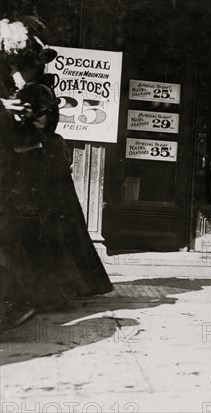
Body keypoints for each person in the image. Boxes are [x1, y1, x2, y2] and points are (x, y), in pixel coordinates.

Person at [0, 17, 113, 329]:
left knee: (45, 228)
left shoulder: (34, 87)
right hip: (30, 162)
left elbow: (40, 121)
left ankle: (48, 292)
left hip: (36, 162)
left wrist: (26, 116)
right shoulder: (22, 86)